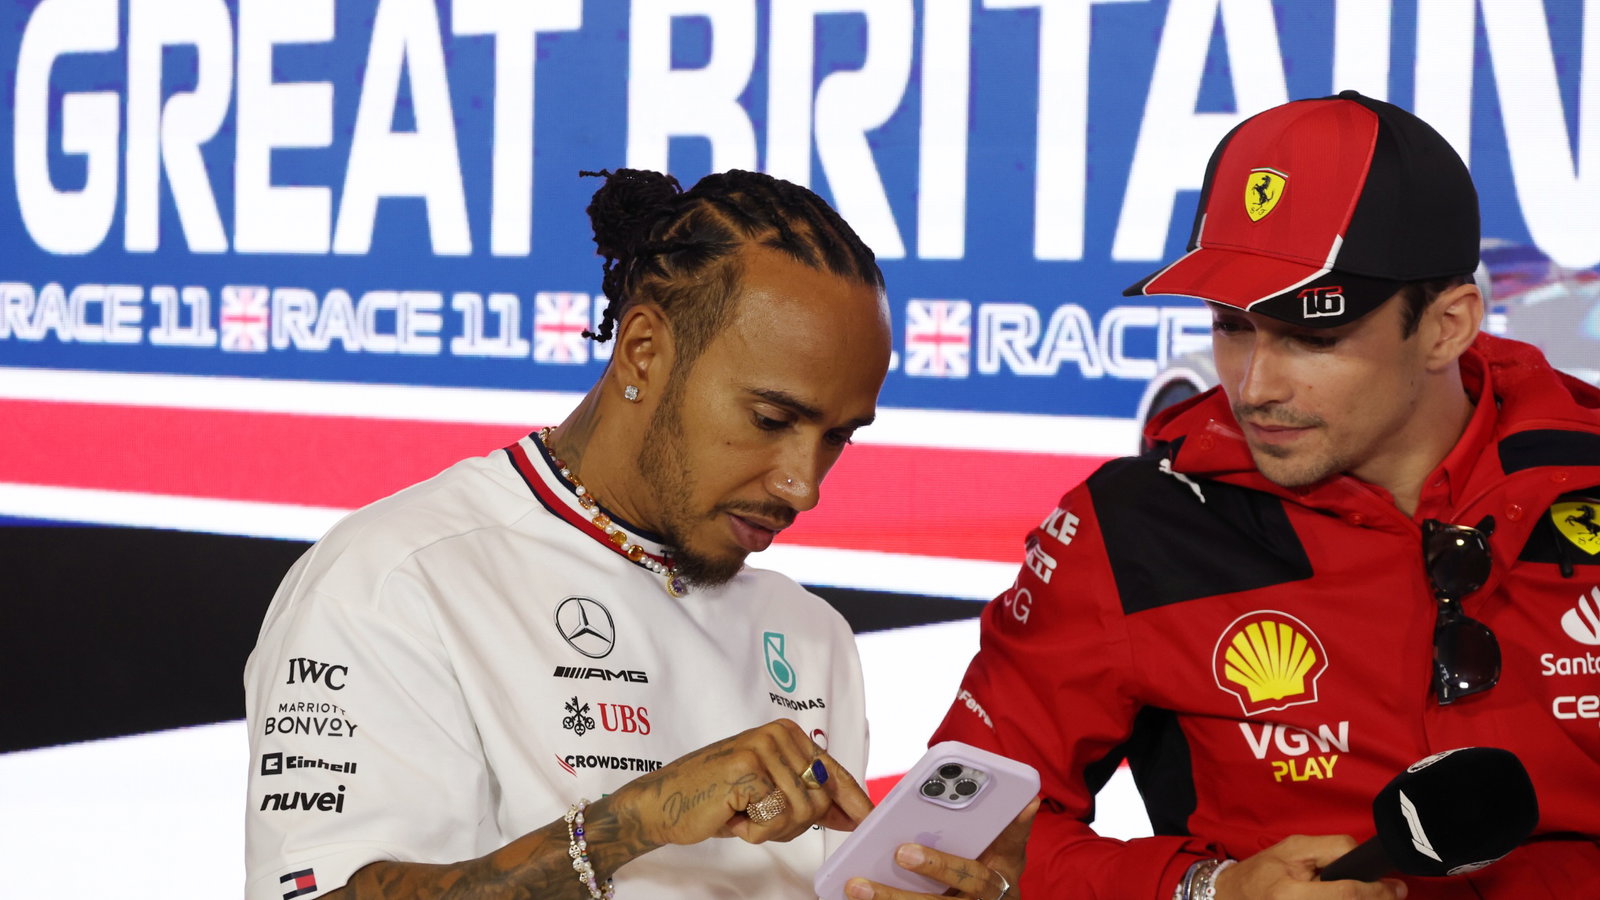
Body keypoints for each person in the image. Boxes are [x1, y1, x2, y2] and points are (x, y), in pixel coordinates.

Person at [244, 168, 1033, 900]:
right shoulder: (395, 579)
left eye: (837, 437)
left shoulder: (810, 632)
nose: (806, 483)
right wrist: (632, 822)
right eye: (772, 419)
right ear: (644, 351)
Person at [930, 91, 1600, 899]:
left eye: (1313, 338)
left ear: (1447, 325)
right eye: (1232, 327)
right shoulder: (1132, 528)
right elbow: (945, 839)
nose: (1256, 385)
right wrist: (1207, 889)